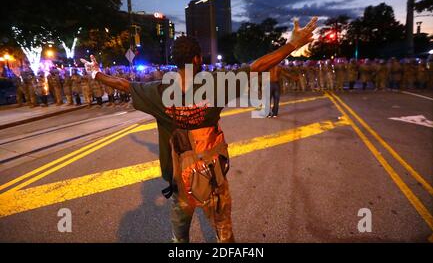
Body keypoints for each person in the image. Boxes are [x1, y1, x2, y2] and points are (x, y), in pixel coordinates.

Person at [81, 17, 318, 243]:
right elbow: (258, 66)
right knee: (223, 231)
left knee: (179, 235)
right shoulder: (216, 85)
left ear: (176, 60)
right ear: (196, 59)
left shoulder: (159, 91)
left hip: (179, 181)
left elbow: (124, 85)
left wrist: (96, 73)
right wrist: (293, 44)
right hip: (212, 178)